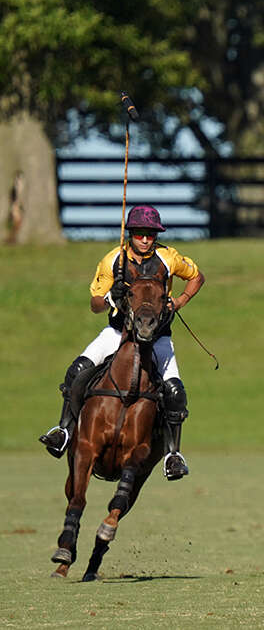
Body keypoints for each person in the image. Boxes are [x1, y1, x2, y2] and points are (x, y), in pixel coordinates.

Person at [39, 205, 205, 480]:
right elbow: (94, 304)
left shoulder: (168, 258)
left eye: (151, 234)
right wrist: (109, 298)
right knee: (77, 370)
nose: (145, 239)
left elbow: (197, 277)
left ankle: (173, 455)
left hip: (158, 335)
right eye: (140, 233)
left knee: (175, 391)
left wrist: (179, 302)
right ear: (130, 234)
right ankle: (64, 430)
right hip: (118, 333)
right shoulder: (113, 260)